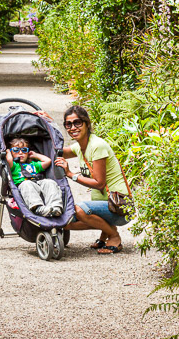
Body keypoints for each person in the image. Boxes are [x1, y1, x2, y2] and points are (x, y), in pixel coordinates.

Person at [44, 105, 130, 254]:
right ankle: (106, 233)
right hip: (106, 206)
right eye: (68, 124)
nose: (73, 127)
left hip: (119, 206)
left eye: (77, 123)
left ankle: (114, 236)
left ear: (87, 124)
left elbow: (99, 183)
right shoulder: (79, 146)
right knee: (67, 223)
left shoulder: (97, 146)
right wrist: (48, 124)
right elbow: (56, 151)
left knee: (77, 210)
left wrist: (71, 174)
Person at [6, 137, 64, 217]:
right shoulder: (14, 166)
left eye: (24, 150)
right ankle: (38, 208)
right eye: (16, 150)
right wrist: (8, 152)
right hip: (24, 186)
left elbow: (48, 161)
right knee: (27, 184)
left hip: (38, 183)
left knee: (50, 182)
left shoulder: (33, 164)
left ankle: (55, 207)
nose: (20, 153)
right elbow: (8, 160)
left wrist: (35, 155)